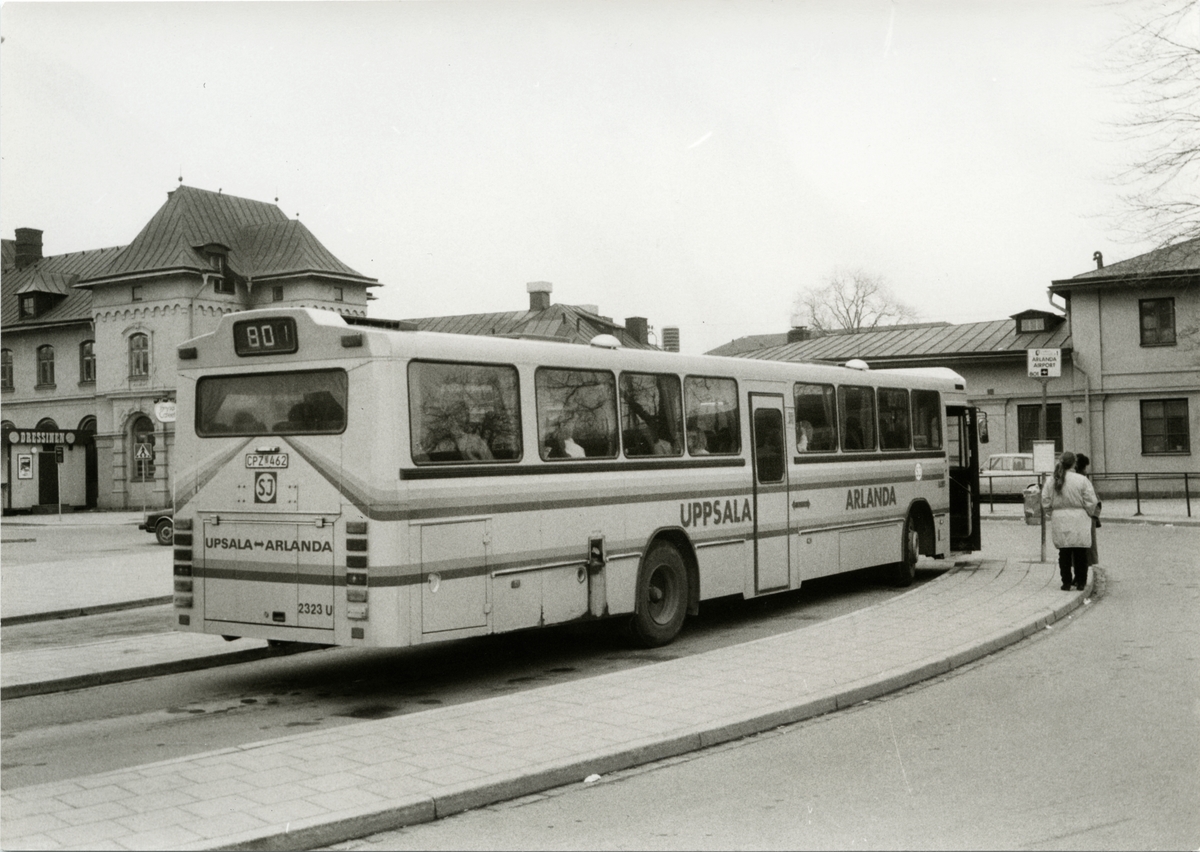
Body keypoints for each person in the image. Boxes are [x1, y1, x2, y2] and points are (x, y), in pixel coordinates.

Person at [1041, 450, 1099, 591]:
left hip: (1060, 519)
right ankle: (1081, 581)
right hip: (1079, 518)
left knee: (1064, 552)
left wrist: (1052, 513)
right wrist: (1088, 513)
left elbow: (1045, 500)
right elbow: (1091, 501)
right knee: (1080, 552)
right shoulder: (1081, 480)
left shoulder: (1052, 480)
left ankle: (1066, 582)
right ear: (1074, 463)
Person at [1074, 453, 1101, 568]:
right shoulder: (1084, 481)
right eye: (1085, 468)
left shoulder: (1066, 480)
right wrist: (1095, 516)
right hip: (1086, 517)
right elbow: (1094, 501)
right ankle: (1082, 572)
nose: (1086, 471)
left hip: (1071, 518)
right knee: (1086, 547)